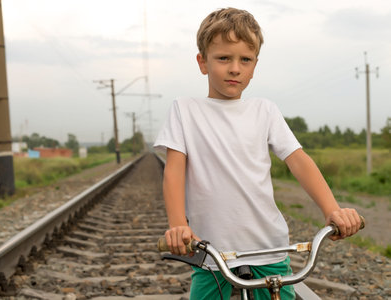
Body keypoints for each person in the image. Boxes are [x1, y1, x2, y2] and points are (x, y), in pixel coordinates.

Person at [153, 7, 362, 300]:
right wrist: (178, 225)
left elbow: (298, 161)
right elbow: (173, 170)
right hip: (212, 250)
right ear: (203, 62)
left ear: (254, 66)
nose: (235, 68)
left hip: (269, 247)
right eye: (223, 58)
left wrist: (332, 210)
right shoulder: (185, 110)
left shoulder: (264, 110)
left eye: (245, 60)